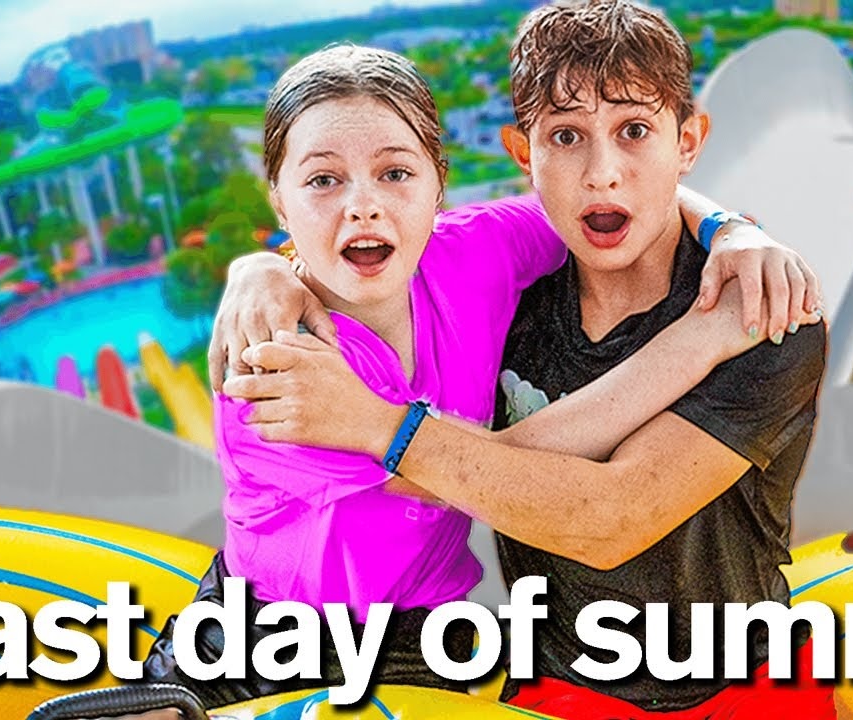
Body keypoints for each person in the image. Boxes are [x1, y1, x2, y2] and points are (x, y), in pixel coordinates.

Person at [139, 42, 817, 712]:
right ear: (280, 204)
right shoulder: (274, 359)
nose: (363, 206)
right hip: (255, 631)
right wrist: (701, 340)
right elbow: (465, 472)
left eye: (396, 174)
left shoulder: (477, 253)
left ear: (439, 184)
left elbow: (622, 192)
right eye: (323, 180)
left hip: (413, 634)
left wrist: (733, 231)